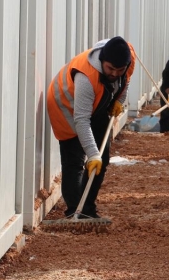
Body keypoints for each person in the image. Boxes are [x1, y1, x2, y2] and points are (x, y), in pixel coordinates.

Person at [46, 36, 135, 218]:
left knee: (101, 160)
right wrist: (92, 154)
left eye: (120, 70)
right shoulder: (86, 78)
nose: (115, 74)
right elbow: (81, 120)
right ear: (102, 60)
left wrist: (119, 100)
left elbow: (125, 82)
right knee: (75, 161)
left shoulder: (127, 62)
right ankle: (73, 211)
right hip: (67, 108)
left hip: (97, 106)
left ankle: (86, 209)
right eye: (110, 69)